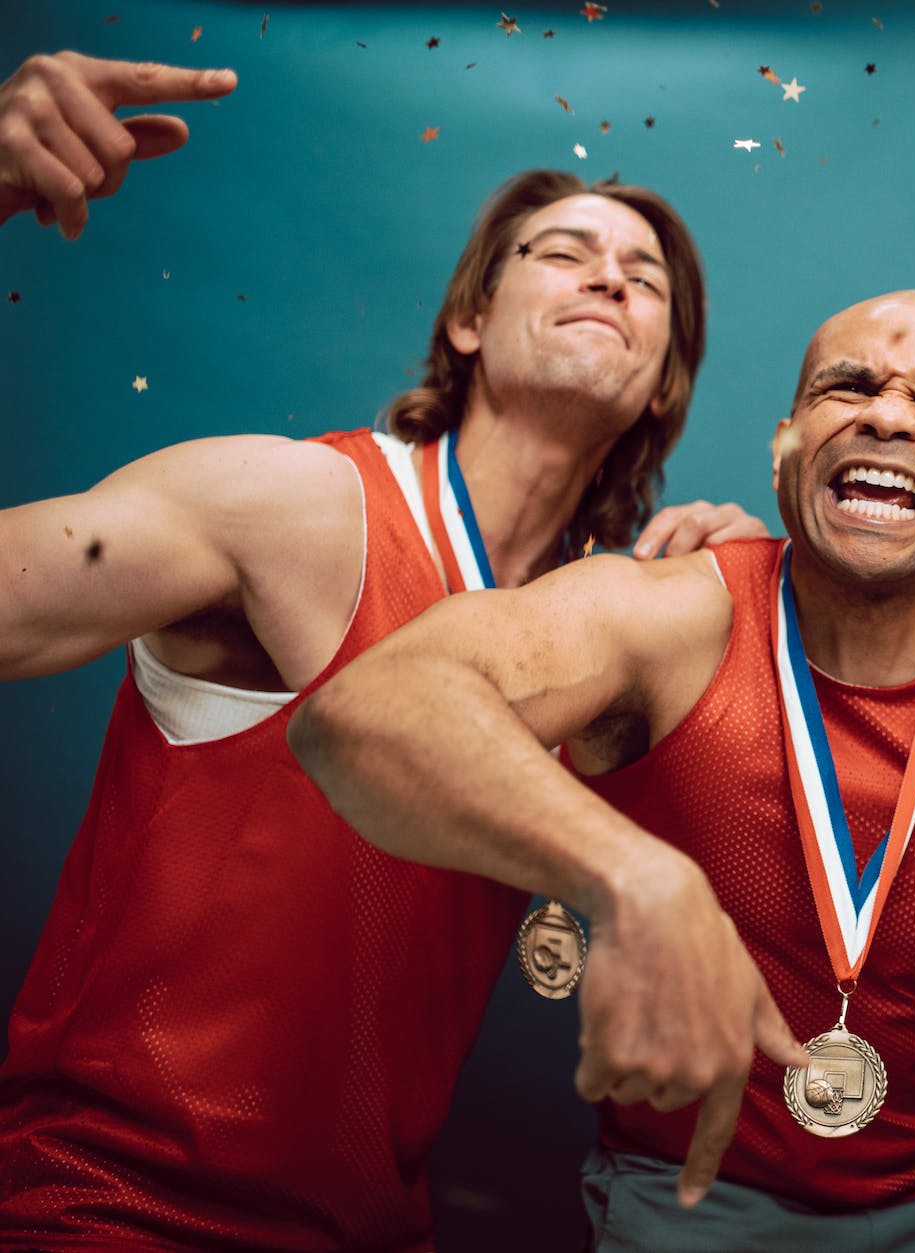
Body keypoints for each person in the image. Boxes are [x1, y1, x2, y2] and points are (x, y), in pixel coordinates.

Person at [0, 50, 779, 1251]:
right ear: (469, 318)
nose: (608, 279)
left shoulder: (619, 630)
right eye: (563, 253)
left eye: (644, 281)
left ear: (660, 382)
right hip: (113, 1208)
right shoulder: (286, 502)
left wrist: (800, 581)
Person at [289, 290, 915, 1251]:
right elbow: (358, 716)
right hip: (685, 1203)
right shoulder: (665, 616)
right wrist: (641, 880)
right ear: (786, 446)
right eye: (847, 385)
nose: (887, 415)